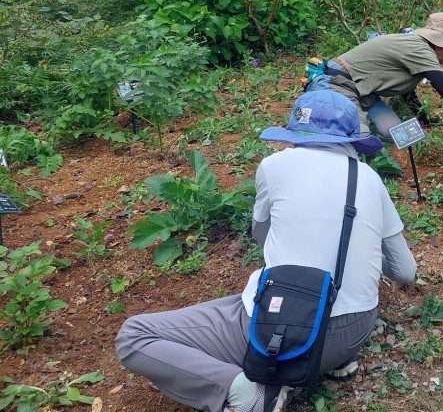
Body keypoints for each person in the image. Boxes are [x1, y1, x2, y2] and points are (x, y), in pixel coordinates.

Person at [115, 90, 417, 412]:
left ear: (295, 133)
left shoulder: (275, 166)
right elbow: (405, 271)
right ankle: (327, 363)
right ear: (349, 138)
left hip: (285, 326)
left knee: (134, 336)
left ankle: (247, 391)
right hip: (355, 331)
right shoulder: (370, 178)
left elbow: (261, 232)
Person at [307, 12, 443, 140]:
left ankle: (359, 128)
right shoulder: (420, 48)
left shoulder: (415, 44)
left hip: (363, 90)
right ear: (442, 43)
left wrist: (423, 119)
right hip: (337, 82)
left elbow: (408, 91)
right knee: (359, 136)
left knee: (395, 134)